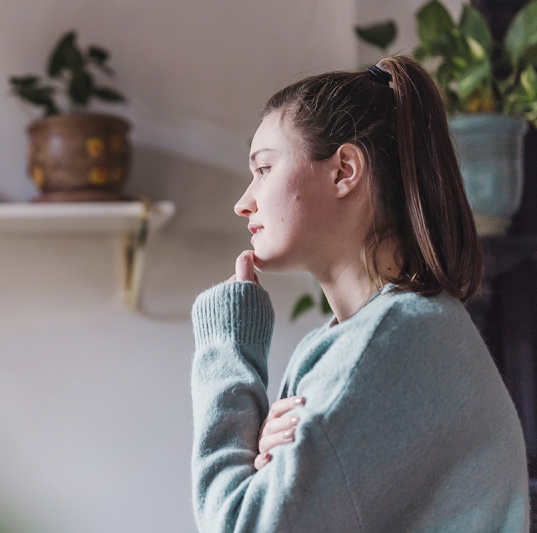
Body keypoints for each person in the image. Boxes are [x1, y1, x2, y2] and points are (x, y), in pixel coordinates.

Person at [190, 55, 529, 532]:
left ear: (344, 170)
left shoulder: (391, 343)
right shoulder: (395, 334)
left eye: (264, 169)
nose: (243, 202)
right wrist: (262, 458)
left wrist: (226, 349)